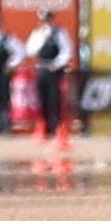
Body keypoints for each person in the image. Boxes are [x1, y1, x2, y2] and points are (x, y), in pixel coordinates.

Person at [23, 10, 74, 138]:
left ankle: (56, 126)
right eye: (43, 20)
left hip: (54, 69)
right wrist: (41, 38)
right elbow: (30, 50)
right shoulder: (37, 33)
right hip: (41, 68)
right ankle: (44, 126)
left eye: (47, 19)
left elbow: (67, 51)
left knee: (54, 98)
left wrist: (56, 64)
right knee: (42, 98)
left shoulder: (60, 33)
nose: (45, 22)